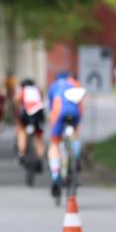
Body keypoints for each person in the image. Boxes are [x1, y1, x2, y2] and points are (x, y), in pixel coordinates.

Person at [46, 71, 87, 200]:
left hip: (59, 112)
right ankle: (76, 159)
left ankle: (55, 174)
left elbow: (52, 108)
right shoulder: (75, 84)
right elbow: (81, 104)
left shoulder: (53, 86)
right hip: (74, 112)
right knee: (74, 135)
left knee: (54, 144)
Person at [14, 77, 46, 169]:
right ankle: (40, 159)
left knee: (22, 131)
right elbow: (41, 100)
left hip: (26, 114)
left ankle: (22, 153)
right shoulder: (37, 90)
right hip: (39, 113)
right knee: (38, 137)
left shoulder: (23, 90)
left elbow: (16, 101)